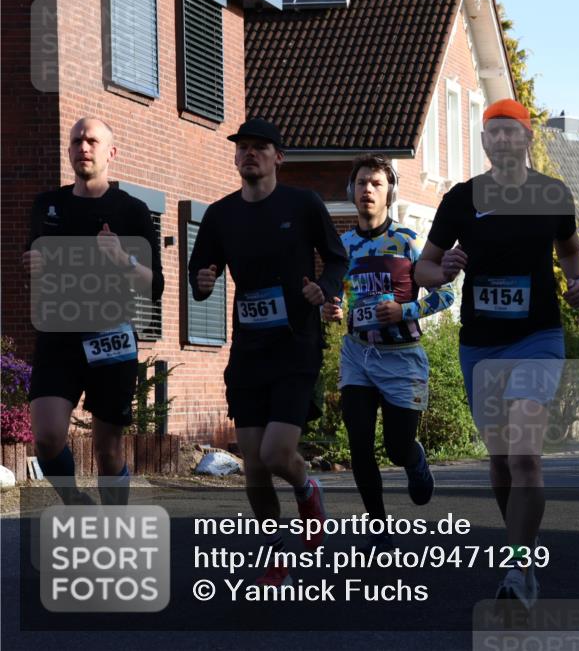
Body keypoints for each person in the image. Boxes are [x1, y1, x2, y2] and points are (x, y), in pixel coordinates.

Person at [414, 98, 579, 607]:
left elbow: (570, 249)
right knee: (500, 461)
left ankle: (518, 567)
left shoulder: (552, 195)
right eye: (495, 132)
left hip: (538, 338)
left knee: (524, 455)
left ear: (528, 138)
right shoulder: (461, 199)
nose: (504, 139)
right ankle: (521, 554)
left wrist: (577, 280)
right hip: (482, 345)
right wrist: (443, 270)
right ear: (484, 141)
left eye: (513, 131)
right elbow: (422, 269)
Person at [188, 118, 349, 586]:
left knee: (278, 453)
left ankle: (306, 488)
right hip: (249, 350)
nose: (249, 154)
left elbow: (337, 257)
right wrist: (203, 280)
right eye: (243, 147)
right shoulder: (220, 214)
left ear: (279, 156)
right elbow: (200, 270)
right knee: (254, 464)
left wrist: (325, 288)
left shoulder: (303, 204)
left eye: (260, 147)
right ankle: (275, 550)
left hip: (296, 344)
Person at [24, 117, 164, 507]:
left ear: (111, 152)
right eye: (76, 141)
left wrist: (122, 259)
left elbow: (154, 285)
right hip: (58, 336)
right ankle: (74, 501)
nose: (82, 148)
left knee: (108, 450)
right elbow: (36, 263)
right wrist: (34, 266)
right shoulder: (46, 205)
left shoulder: (132, 211)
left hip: (111, 337)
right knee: (47, 438)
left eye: (91, 141)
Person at [322, 154, 454, 551]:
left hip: (402, 355)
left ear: (389, 193)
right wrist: (332, 307)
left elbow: (447, 294)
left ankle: (414, 459)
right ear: (351, 191)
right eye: (362, 182)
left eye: (376, 183)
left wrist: (404, 310)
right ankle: (378, 528)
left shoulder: (408, 242)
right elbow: (334, 294)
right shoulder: (342, 246)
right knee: (359, 441)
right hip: (357, 354)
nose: (368, 189)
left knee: (396, 447)